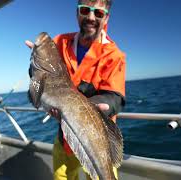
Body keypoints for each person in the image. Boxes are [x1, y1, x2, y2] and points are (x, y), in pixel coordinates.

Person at [25, 0, 125, 179]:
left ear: (107, 17)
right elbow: (36, 88)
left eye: (99, 13)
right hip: (64, 137)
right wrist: (34, 66)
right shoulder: (59, 42)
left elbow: (115, 97)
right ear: (77, 13)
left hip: (98, 140)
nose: (91, 17)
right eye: (85, 10)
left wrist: (99, 106)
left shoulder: (114, 55)